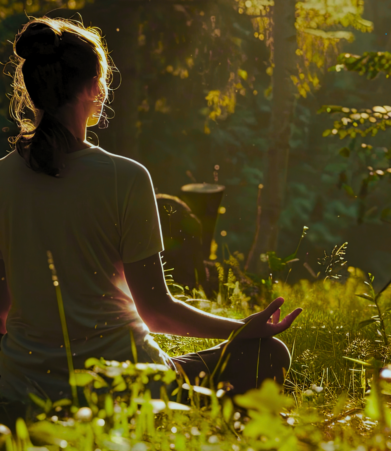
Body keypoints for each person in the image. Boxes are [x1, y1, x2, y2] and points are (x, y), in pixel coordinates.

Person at [0, 18, 301, 405]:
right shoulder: (125, 177)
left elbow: (3, 310)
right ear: (95, 87)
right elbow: (157, 312)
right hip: (128, 387)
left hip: (24, 393)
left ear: (32, 90)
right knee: (270, 355)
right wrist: (243, 329)